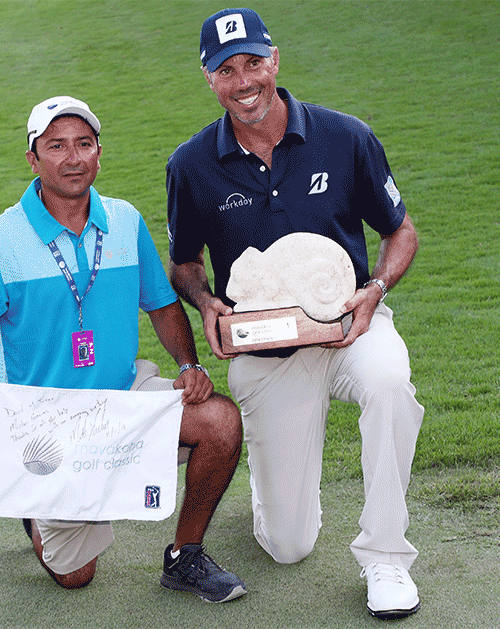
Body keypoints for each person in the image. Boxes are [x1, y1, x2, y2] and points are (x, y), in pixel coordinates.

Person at [166, 9, 424, 619]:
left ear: (274, 61)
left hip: (350, 328)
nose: (244, 81)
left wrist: (376, 288)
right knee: (288, 546)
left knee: (390, 382)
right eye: (226, 70)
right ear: (209, 78)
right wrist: (205, 301)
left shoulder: (345, 136)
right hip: (266, 350)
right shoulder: (190, 164)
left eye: (253, 63)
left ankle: (385, 556)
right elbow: (184, 263)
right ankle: (274, 488)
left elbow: (401, 230)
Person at [0, 95, 246, 603]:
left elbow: (162, 305)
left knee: (219, 421)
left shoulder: (125, 221)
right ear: (33, 159)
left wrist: (188, 363)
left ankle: (186, 554)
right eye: (56, 146)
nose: (73, 158)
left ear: (99, 154)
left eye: (84, 144)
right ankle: (35, 506)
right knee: (76, 575)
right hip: (48, 420)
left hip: (122, 397)